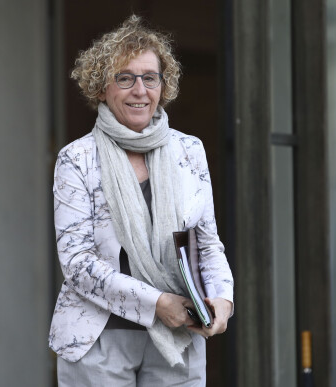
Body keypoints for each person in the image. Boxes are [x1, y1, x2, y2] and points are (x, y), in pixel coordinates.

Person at [49, 15, 234, 386]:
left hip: (178, 341)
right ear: (102, 88)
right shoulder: (77, 158)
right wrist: (155, 304)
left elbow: (207, 243)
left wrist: (223, 300)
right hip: (98, 341)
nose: (139, 90)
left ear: (163, 87)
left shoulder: (189, 151)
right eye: (125, 77)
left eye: (150, 78)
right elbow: (77, 262)